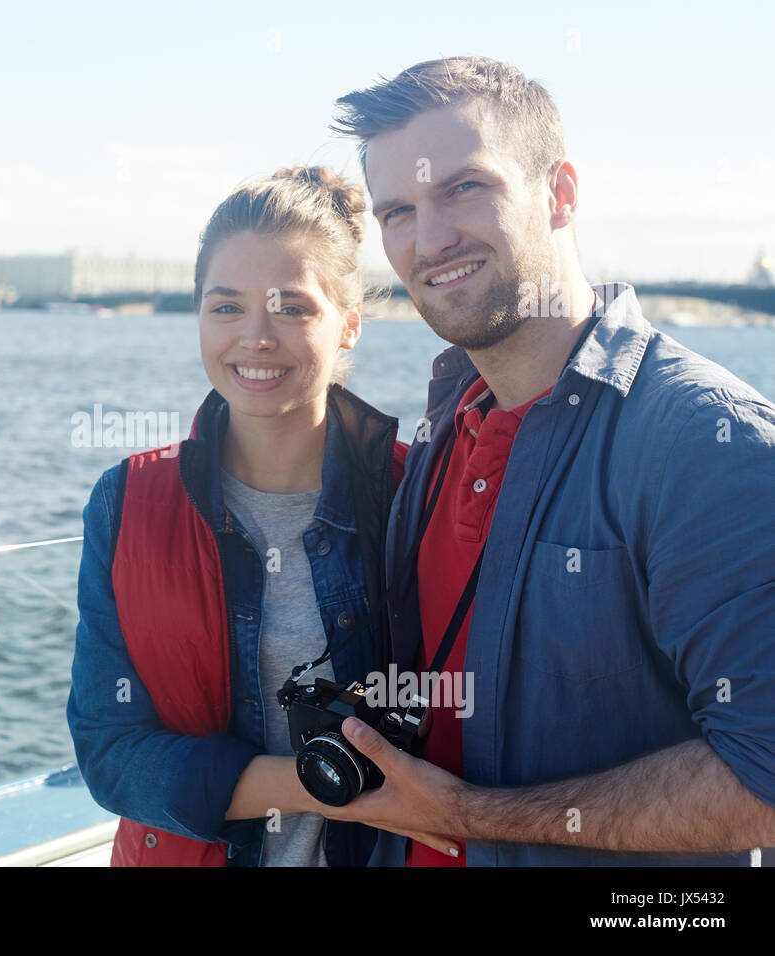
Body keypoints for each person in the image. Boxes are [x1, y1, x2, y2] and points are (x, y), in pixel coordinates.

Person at [322, 55, 775, 865]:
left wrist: (471, 813)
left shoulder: (707, 443)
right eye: (397, 209)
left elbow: (766, 781)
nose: (429, 239)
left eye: (466, 187)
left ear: (560, 193)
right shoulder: (444, 424)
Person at [65, 165, 435, 866]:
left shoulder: (417, 494)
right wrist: (315, 783)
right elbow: (110, 752)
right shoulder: (126, 504)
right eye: (226, 306)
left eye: (292, 308)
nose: (255, 338)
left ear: (349, 321)